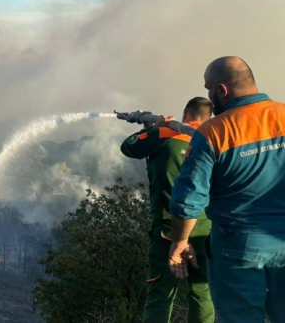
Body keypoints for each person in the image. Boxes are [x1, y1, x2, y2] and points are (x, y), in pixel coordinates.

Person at [169, 56, 285, 323]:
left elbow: (188, 200)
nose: (209, 96)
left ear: (221, 90)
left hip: (237, 246)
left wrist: (180, 242)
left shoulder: (213, 132)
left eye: (209, 89)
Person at [121, 98, 215, 323]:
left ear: (185, 113)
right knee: (202, 293)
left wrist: (155, 127)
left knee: (160, 293)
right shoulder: (214, 139)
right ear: (209, 117)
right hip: (205, 226)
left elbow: (129, 146)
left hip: (168, 226)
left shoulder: (164, 135)